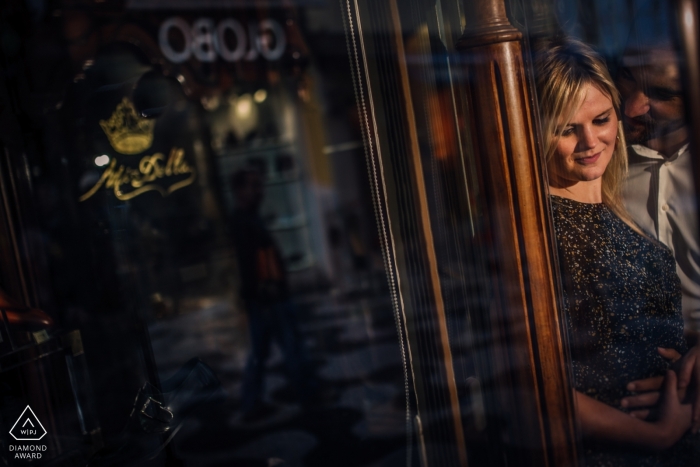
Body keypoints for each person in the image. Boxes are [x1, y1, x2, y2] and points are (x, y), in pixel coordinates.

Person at [536, 36, 700, 465]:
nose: (590, 141)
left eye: (601, 119)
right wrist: (659, 435)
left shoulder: (610, 206)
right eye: (567, 128)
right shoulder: (541, 229)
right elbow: (531, 383)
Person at [228, 168, 316, 422]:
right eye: (253, 185)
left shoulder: (248, 219)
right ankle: (306, 394)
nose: (259, 191)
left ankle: (252, 402)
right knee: (291, 347)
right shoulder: (243, 221)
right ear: (240, 190)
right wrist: (268, 289)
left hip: (265, 297)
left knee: (264, 352)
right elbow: (253, 263)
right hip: (268, 297)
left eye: (259, 185)